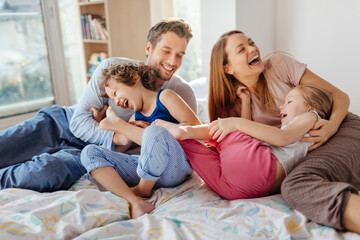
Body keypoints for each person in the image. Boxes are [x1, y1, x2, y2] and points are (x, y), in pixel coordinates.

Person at [0, 18, 197, 192]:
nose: (173, 61)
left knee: (44, 173)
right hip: (61, 125)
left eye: (180, 55)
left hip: (93, 153)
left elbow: (178, 147)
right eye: (166, 51)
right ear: (148, 48)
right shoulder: (112, 71)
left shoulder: (181, 94)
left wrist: (123, 136)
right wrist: (119, 135)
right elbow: (78, 122)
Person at [200, 30, 360, 234]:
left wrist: (332, 126)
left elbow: (339, 95)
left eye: (251, 42)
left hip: (342, 128)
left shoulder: (278, 64)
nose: (252, 49)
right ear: (227, 68)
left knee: (297, 185)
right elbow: (248, 152)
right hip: (309, 149)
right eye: (242, 49)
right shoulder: (234, 107)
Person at [154, 85, 332, 199]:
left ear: (311, 106)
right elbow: (249, 139)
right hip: (243, 190)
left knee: (226, 130)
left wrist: (235, 122)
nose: (281, 106)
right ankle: (180, 135)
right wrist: (245, 103)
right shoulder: (300, 128)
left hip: (259, 169)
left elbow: (281, 138)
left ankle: (186, 131)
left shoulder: (312, 117)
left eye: (289, 101)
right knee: (191, 149)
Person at [80, 62, 201, 218]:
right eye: (112, 98)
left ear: (133, 77)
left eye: (116, 93)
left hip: (177, 166)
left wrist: (122, 126)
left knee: (154, 131)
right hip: (149, 172)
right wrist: (126, 130)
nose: (116, 102)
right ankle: (134, 200)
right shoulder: (134, 118)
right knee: (89, 152)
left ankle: (142, 189)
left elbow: (195, 127)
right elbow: (114, 153)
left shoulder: (165, 96)